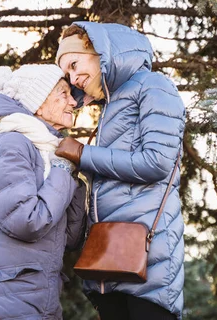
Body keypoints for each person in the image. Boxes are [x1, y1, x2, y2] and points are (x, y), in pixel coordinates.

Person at [55, 22, 186, 320]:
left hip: (148, 264)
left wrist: (83, 154)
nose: (74, 77)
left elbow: (156, 162)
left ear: (100, 51)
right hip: (108, 262)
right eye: (68, 74)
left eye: (75, 64)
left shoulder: (153, 85)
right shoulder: (109, 107)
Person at [0, 64, 86, 320]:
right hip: (2, 298)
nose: (73, 102)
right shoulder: (11, 144)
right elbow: (26, 221)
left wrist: (76, 177)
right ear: (37, 102)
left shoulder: (48, 151)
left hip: (36, 298)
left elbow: (68, 237)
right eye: (63, 93)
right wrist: (62, 168)